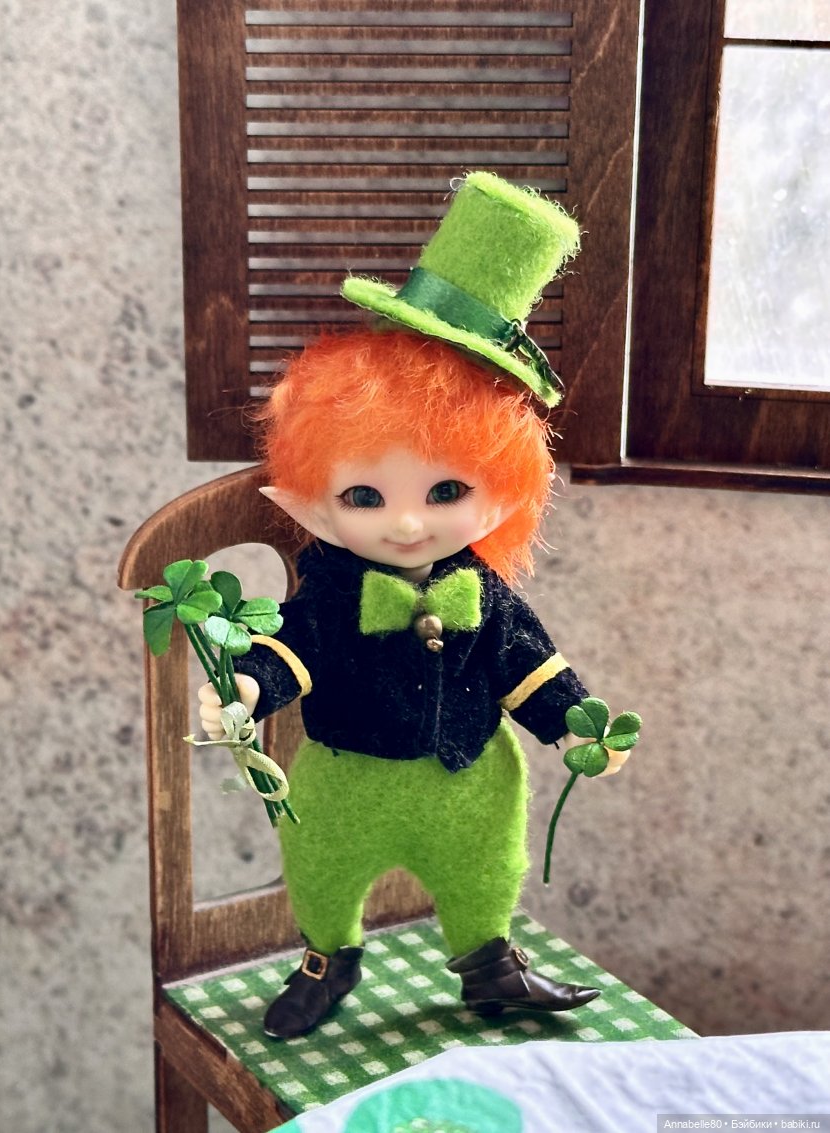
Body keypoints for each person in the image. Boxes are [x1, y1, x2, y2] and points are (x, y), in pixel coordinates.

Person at [199, 172, 619, 1040]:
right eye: (364, 496)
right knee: (322, 866)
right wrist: (245, 687)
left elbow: (528, 664)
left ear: (502, 498)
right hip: (345, 775)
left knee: (484, 867)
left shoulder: (485, 594)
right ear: (313, 505)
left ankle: (490, 964)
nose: (405, 522)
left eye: (446, 490)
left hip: (469, 775)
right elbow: (293, 644)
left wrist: (579, 725)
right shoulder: (331, 587)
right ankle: (328, 959)